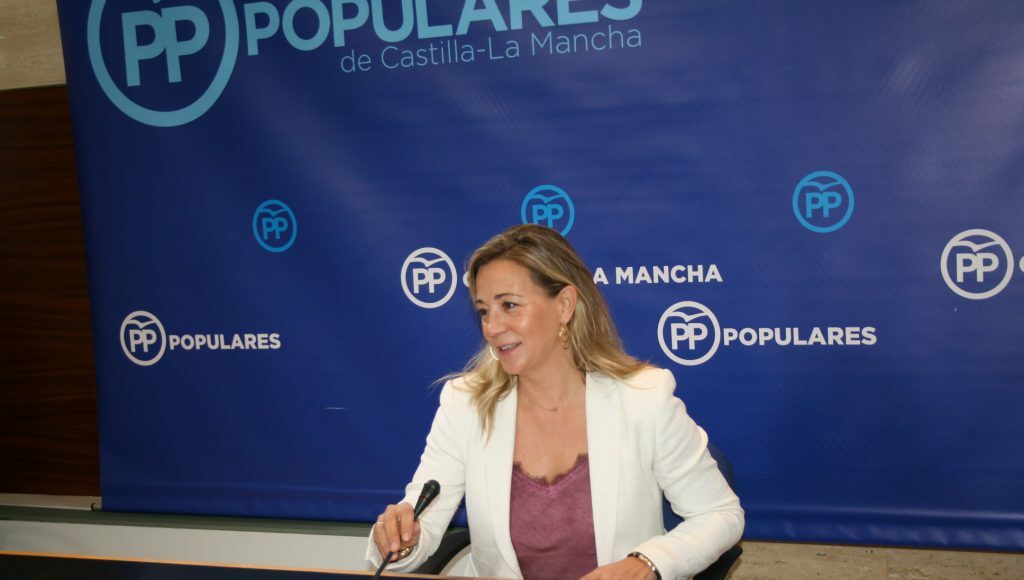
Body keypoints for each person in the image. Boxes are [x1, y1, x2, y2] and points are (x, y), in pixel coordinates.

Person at [367, 224, 743, 579]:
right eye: (483, 311)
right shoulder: (465, 404)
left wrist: (646, 563)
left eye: (509, 305)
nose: (492, 327)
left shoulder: (643, 397)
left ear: (564, 305)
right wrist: (403, 538)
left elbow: (720, 514)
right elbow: (421, 521)